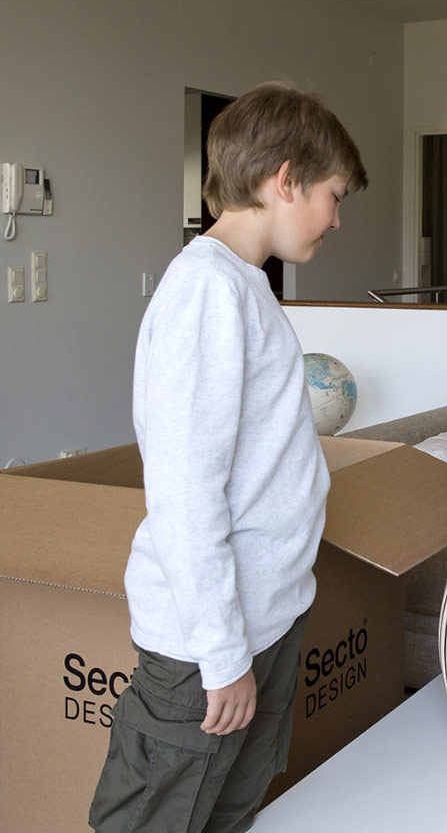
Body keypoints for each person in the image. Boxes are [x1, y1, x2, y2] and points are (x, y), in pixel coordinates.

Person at [89, 81, 368, 833]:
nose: (336, 219)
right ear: (285, 179)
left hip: (264, 623)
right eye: (334, 197)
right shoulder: (205, 293)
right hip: (212, 648)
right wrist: (222, 656)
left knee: (229, 812)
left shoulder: (246, 288)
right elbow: (182, 493)